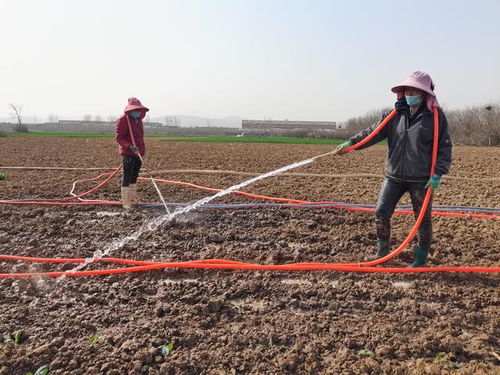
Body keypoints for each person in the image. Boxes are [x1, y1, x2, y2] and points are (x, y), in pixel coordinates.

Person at [335, 71, 452, 267]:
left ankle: (421, 259)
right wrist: (351, 144)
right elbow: (372, 133)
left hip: (421, 179)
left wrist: (438, 173)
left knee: (422, 220)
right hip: (394, 175)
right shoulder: (394, 115)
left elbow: (445, 146)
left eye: (415, 90)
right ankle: (382, 251)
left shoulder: (436, 117)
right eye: (407, 89)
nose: (410, 93)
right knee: (381, 211)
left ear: (425, 93)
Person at [115, 97, 148, 209]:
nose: (137, 112)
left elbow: (140, 137)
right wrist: (129, 146)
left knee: (134, 176)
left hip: (138, 153)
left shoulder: (138, 121)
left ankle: (133, 199)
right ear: (130, 110)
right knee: (127, 177)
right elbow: (119, 138)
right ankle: (126, 202)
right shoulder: (123, 120)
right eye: (135, 110)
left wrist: (142, 150)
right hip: (128, 153)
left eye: (138, 110)